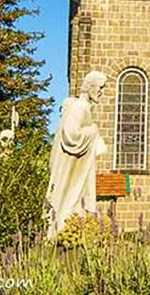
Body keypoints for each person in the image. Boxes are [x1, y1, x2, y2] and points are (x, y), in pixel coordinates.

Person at [44, 71, 108, 240]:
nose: (102, 92)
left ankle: (68, 230)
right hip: (70, 168)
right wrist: (93, 132)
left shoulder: (83, 107)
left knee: (73, 201)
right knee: (68, 200)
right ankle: (64, 232)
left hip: (77, 167)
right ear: (90, 87)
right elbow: (71, 136)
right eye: (100, 88)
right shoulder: (79, 108)